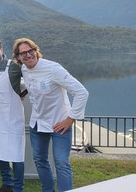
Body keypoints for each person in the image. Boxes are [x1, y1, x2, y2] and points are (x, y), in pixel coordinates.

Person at [13, 38, 89, 192]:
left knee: (61, 162)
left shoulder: (54, 69)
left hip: (60, 123)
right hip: (38, 123)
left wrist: (70, 119)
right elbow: (30, 84)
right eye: (23, 53)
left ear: (36, 50)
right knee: (40, 160)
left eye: (30, 51)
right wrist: (21, 91)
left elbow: (81, 92)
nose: (28, 55)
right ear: (18, 57)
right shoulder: (24, 70)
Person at [0, 37, 26, 192]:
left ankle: (18, 187)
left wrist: (24, 91)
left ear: (2, 50)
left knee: (16, 155)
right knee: (0, 151)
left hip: (13, 118)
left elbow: (30, 77)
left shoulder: (14, 66)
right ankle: (7, 183)